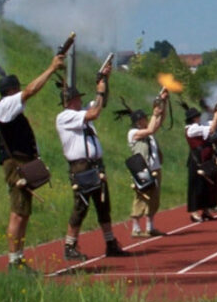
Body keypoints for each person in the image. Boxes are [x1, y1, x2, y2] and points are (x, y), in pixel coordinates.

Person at [0, 53, 63, 270]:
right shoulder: (6, 105)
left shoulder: (6, 109)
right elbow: (31, 90)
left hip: (20, 163)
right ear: (11, 91)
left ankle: (19, 258)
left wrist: (5, 155)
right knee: (17, 213)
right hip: (18, 165)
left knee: (23, 213)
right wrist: (51, 69)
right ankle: (14, 261)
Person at [55, 59, 129, 260]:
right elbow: (95, 110)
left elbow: (101, 103)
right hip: (81, 167)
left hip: (95, 166)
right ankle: (70, 246)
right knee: (81, 207)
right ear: (70, 101)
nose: (80, 101)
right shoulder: (65, 117)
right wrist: (99, 89)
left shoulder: (80, 113)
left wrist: (105, 80)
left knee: (103, 205)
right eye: (77, 98)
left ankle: (110, 242)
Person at [126, 90, 167, 238]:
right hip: (142, 169)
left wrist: (164, 103)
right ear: (138, 121)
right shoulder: (133, 133)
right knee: (141, 197)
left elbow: (159, 122)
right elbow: (151, 128)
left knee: (154, 198)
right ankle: (136, 228)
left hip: (155, 168)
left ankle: (150, 227)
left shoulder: (147, 133)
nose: (146, 119)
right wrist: (155, 114)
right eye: (144, 118)